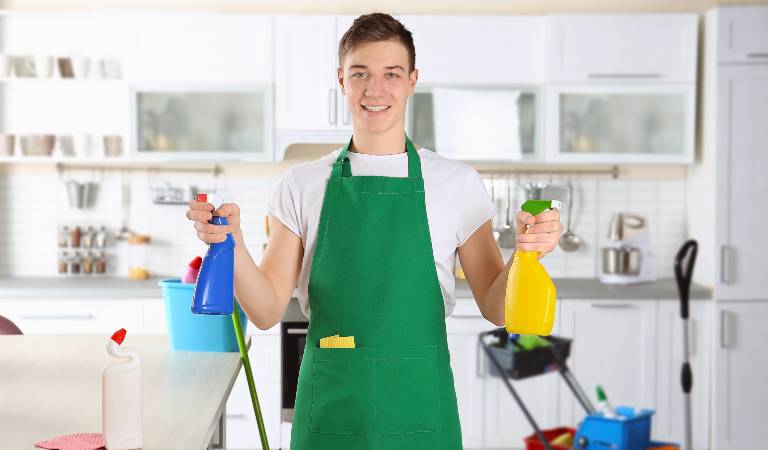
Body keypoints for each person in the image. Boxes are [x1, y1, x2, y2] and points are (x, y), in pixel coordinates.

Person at [186, 12, 562, 450]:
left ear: (412, 80)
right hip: (332, 408)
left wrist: (525, 252)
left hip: (419, 407)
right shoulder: (301, 183)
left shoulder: (457, 183)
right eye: (360, 73)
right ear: (341, 81)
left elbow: (498, 309)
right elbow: (267, 310)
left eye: (391, 74)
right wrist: (232, 244)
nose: (375, 89)